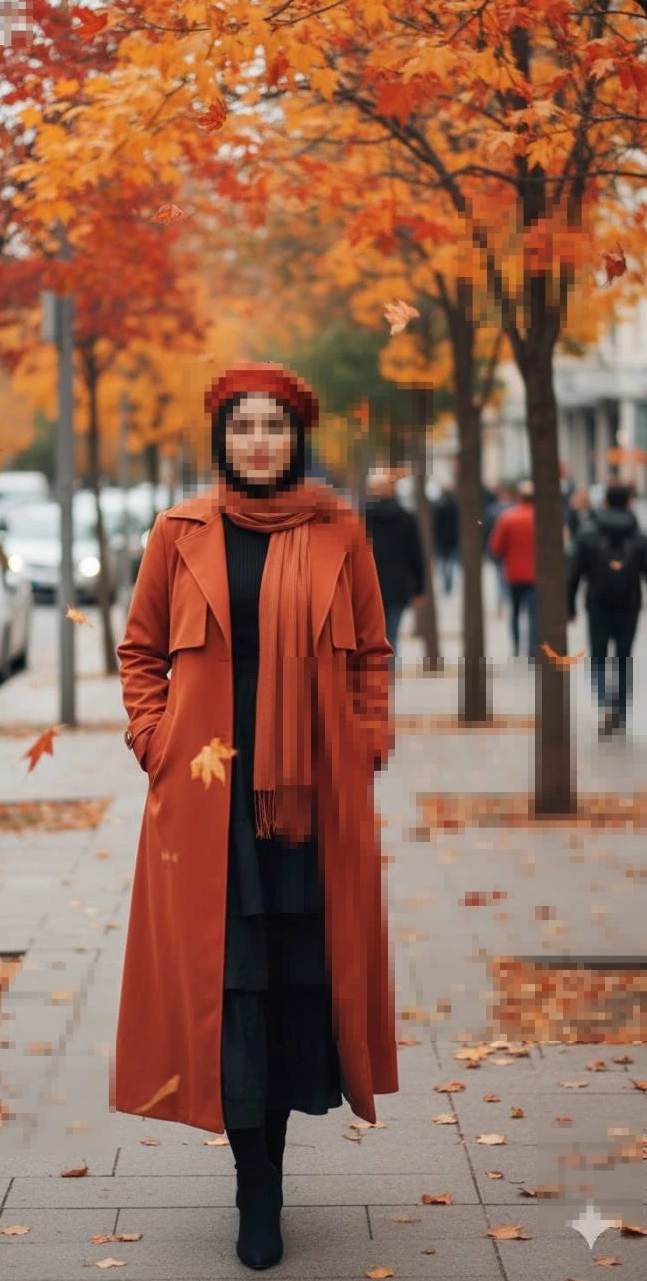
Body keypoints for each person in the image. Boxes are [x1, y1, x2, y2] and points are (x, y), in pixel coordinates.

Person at [114, 362, 398, 1271]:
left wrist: (367, 740)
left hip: (311, 797)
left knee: (290, 985)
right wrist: (154, 739)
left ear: (297, 438)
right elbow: (140, 649)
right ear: (222, 440)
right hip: (207, 800)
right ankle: (255, 1194)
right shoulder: (178, 532)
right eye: (244, 428)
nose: (260, 442)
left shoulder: (337, 531)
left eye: (274, 426)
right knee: (229, 985)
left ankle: (273, 1166)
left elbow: (372, 654)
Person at [567, 482, 647, 737]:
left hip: (597, 603)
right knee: (624, 657)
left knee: (598, 656)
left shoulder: (588, 532)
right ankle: (620, 711)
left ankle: (604, 704)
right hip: (629, 604)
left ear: (604, 503)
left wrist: (569, 605)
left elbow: (573, 573)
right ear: (629, 503)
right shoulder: (638, 535)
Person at [363, 467, 425, 660]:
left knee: (369, 638)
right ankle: (388, 680)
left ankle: (371, 677)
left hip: (366, 587)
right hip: (397, 586)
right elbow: (415, 556)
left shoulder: (359, 519)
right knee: (392, 638)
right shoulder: (406, 518)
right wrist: (419, 589)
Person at [489, 479, 536, 658]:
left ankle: (516, 646)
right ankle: (532, 649)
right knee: (533, 614)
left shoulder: (508, 517)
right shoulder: (543, 519)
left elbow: (496, 547)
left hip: (513, 573)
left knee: (515, 612)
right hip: (535, 575)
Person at [483, 484, 514, 616]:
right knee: (504, 579)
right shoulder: (513, 509)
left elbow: (487, 532)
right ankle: (505, 602)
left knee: (500, 579)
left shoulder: (491, 511)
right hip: (509, 552)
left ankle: (501, 603)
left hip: (499, 551)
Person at [433, 484, 459, 594]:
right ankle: (448, 582)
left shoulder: (438, 505)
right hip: (452, 538)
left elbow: (435, 524)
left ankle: (446, 582)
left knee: (443, 562)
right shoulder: (455, 505)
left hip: (441, 539)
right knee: (450, 562)